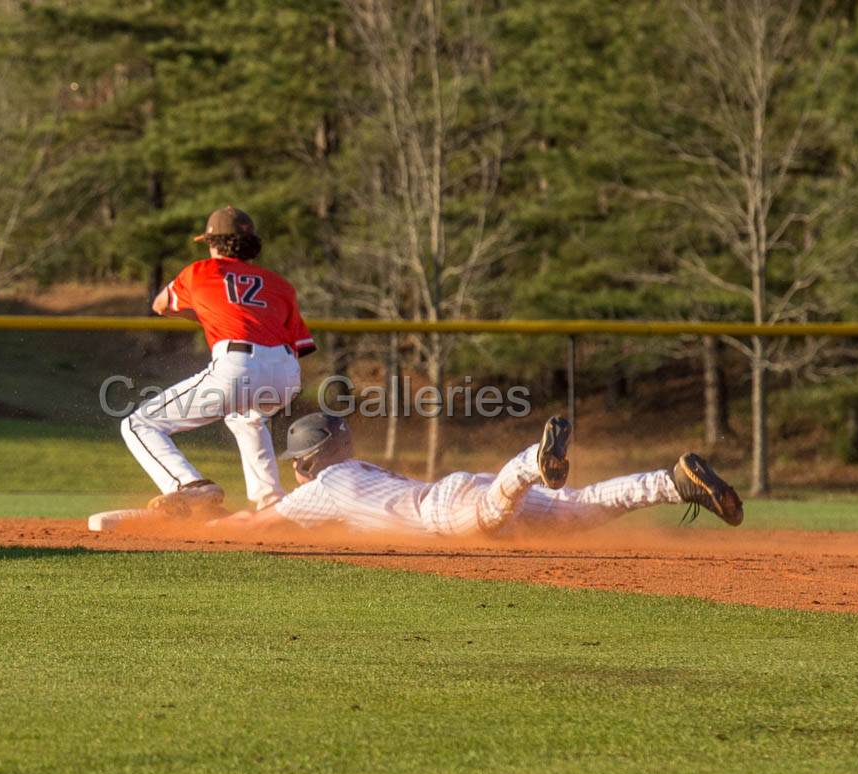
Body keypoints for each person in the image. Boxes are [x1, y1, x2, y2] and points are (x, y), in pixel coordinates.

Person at [210, 413, 744, 535]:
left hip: (447, 510)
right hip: (451, 489)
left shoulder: (324, 488)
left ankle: (533, 463)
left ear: (307, 461)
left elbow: (254, 526)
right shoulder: (356, 471)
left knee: (492, 512)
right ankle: (671, 482)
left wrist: (200, 525)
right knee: (574, 511)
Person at [121, 206, 315, 516]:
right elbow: (301, 344)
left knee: (139, 423)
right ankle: (271, 503)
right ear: (251, 245)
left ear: (213, 243)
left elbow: (161, 305)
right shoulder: (280, 284)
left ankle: (189, 486)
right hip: (286, 372)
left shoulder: (200, 272)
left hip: (237, 365)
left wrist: (207, 316)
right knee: (247, 416)